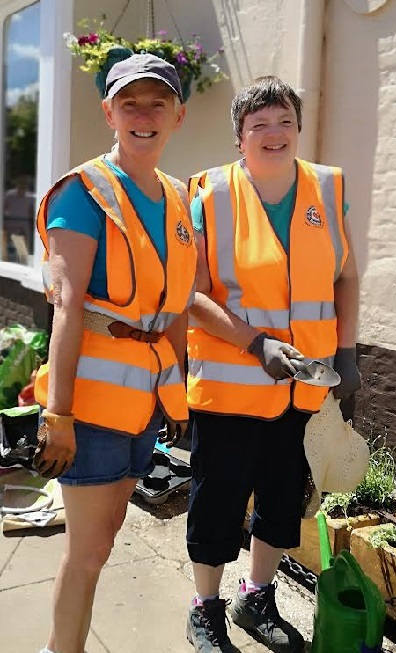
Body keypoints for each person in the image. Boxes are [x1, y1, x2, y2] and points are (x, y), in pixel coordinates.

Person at [185, 76, 361, 653]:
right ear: (240, 137)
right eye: (258, 123)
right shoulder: (210, 193)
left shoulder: (328, 189)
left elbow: (344, 277)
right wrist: (256, 344)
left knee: (285, 501)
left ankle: (255, 596)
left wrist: (349, 354)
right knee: (218, 501)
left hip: (305, 389)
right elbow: (193, 294)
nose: (273, 132)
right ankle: (205, 606)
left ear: (298, 128)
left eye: (284, 119)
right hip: (231, 390)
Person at [33, 54, 196, 653]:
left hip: (144, 404)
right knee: (87, 551)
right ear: (110, 112)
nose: (144, 115)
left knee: (104, 540)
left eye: (158, 103)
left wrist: (175, 399)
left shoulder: (179, 200)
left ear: (178, 116)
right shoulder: (85, 192)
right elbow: (68, 308)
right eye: (131, 103)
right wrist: (59, 415)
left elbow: (175, 308)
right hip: (91, 406)